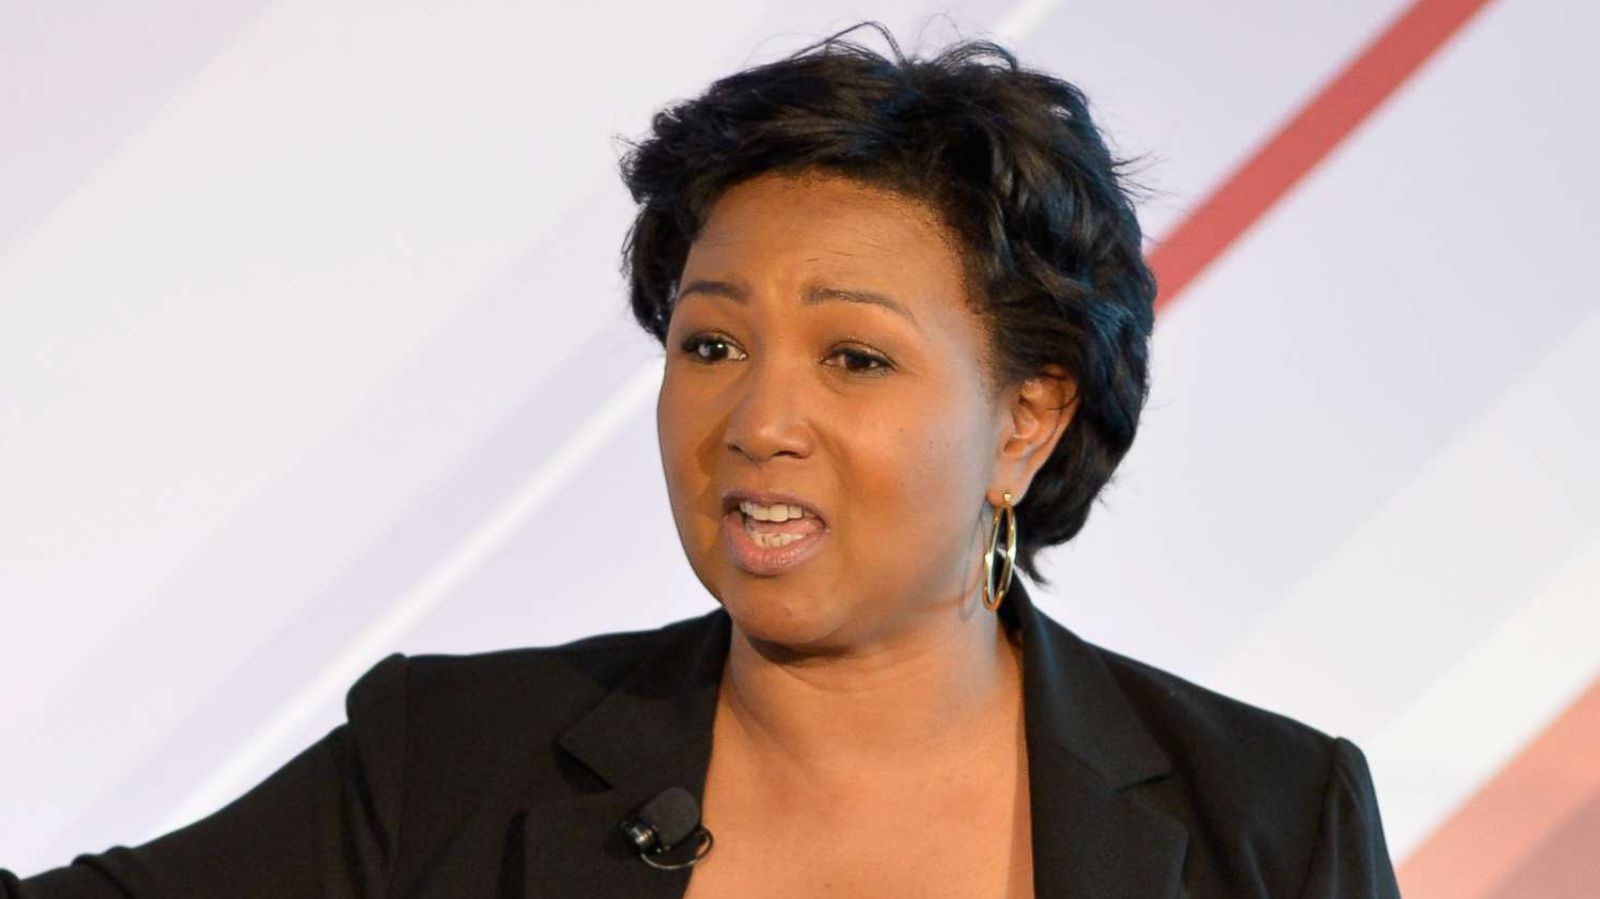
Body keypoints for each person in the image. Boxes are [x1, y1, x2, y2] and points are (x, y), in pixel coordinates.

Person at [2, 22, 1402, 899]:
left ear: (1027, 419)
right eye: (711, 345)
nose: (755, 423)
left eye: (852, 358)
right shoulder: (454, 762)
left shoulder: (1267, 823)